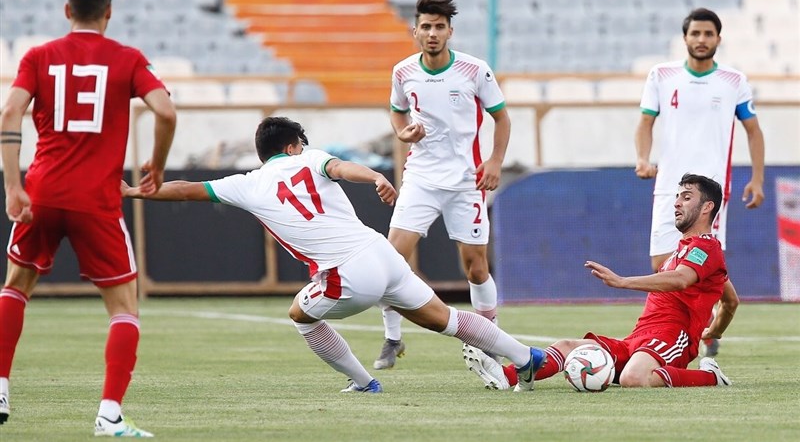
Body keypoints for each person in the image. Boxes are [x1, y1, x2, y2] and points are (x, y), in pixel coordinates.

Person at [121, 116, 546, 394]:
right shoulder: (311, 157)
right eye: (302, 143)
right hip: (381, 253)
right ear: (292, 146)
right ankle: (526, 358)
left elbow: (187, 190)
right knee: (445, 319)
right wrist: (377, 176)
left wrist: (142, 191)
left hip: (349, 271)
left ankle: (363, 383)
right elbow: (342, 168)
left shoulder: (246, 183)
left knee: (300, 316)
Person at [0, 0, 177, 437]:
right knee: (124, 308)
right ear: (108, 12)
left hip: (42, 191)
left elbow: (9, 111)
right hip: (96, 200)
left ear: (66, 10)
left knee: (16, 285)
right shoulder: (127, 58)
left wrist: (12, 186)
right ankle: (109, 415)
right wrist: (155, 166)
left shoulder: (38, 56)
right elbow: (166, 111)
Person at [464, 173, 739, 391]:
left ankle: (708, 376)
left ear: (707, 207)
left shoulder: (707, 248)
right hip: (638, 338)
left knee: (633, 378)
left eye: (686, 197)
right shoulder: (684, 250)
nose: (677, 202)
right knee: (567, 347)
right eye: (677, 196)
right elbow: (730, 299)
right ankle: (505, 376)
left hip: (671, 339)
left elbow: (681, 280)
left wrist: (622, 282)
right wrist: (713, 332)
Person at [375, 0, 511, 370]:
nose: (432, 33)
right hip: (421, 178)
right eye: (426, 26)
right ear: (414, 30)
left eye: (439, 27)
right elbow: (397, 111)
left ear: (450, 31)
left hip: (467, 180)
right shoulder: (403, 72)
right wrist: (404, 133)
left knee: (475, 268)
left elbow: (502, 118)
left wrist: (495, 161)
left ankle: (488, 341)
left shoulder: (474, 70)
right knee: (390, 259)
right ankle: (392, 337)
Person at [635, 7, 763, 357]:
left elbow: (753, 130)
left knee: (697, 261)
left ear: (718, 39)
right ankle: (718, 314)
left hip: (710, 190)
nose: (702, 40)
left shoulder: (734, 81)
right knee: (663, 263)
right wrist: (643, 158)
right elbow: (645, 122)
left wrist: (758, 179)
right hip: (669, 186)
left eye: (708, 34)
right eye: (696, 34)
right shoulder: (661, 75)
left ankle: (689, 332)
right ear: (685, 38)